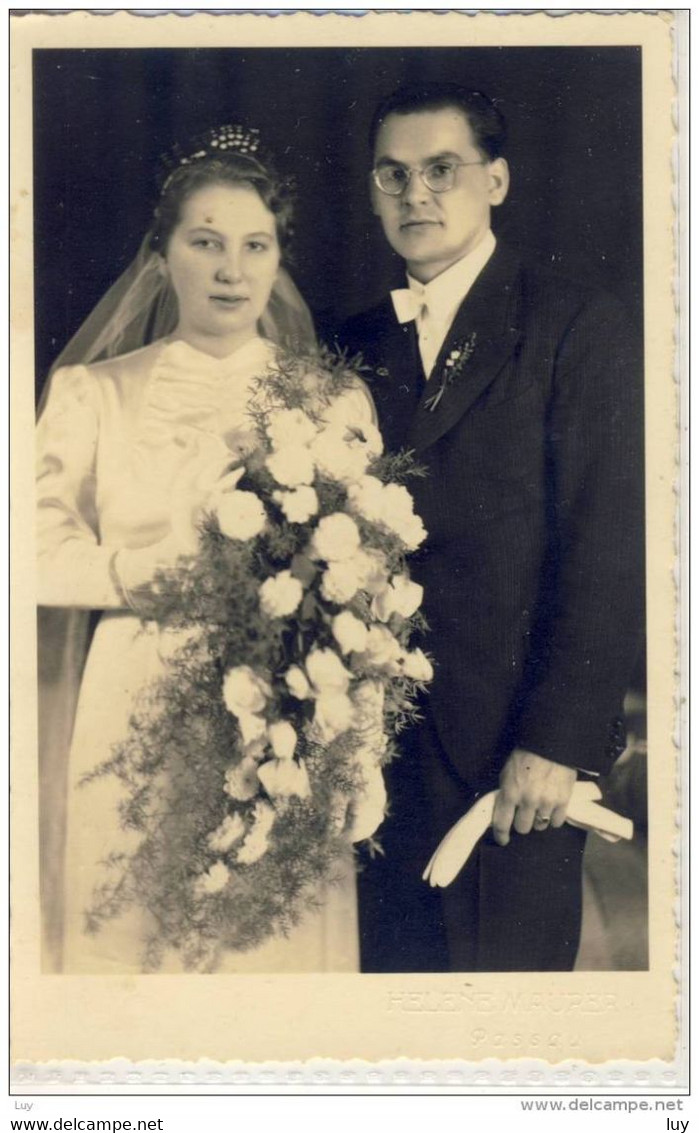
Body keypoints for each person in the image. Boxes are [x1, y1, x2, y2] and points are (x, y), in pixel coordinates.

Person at [36, 125, 375, 974]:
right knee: (131, 932)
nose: (232, 270)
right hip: (132, 700)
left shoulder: (330, 399)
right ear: (162, 256)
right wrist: (131, 573)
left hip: (287, 709)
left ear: (277, 257)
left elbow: (366, 587)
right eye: (206, 243)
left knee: (272, 957)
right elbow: (27, 544)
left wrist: (360, 746)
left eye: (254, 245)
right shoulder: (94, 394)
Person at [336, 82, 644, 972]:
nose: (414, 195)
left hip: (512, 759)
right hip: (370, 758)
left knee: (498, 1033)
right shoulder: (349, 341)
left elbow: (610, 549)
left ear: (497, 181)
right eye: (391, 175)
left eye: (441, 170)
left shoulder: (575, 326)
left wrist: (555, 743)